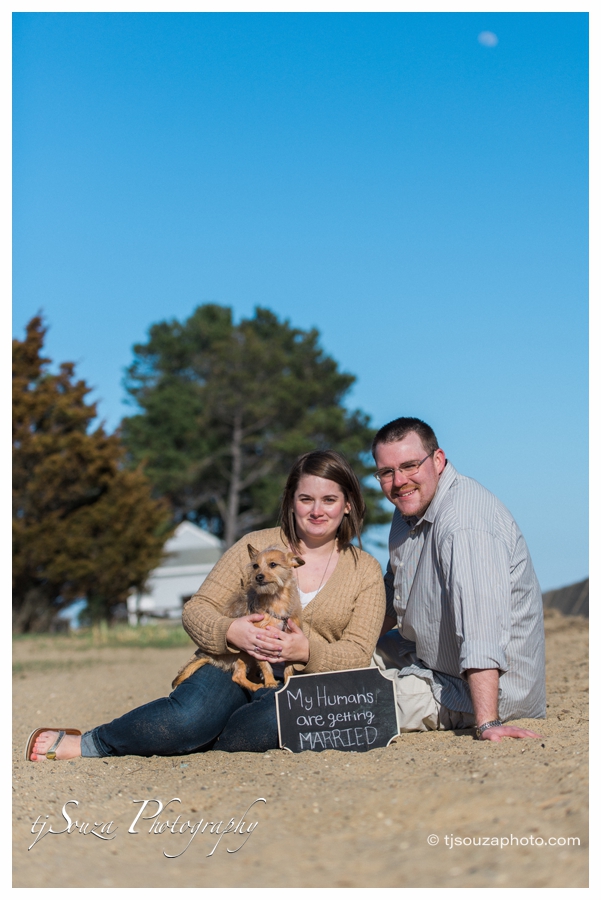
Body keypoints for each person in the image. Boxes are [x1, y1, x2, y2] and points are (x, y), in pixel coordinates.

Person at [26, 450, 386, 761]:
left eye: (329, 500)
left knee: (265, 726)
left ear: (348, 503)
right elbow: (197, 609)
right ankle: (93, 742)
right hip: (231, 663)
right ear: (292, 500)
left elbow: (358, 652)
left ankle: (201, 739)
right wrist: (230, 630)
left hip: (303, 683)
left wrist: (307, 651)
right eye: (306, 498)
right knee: (187, 719)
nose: (317, 510)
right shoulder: (256, 545)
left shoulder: (365, 569)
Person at [371, 417, 545, 743]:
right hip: (425, 657)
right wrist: (350, 648)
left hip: (476, 691)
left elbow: (480, 627)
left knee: (347, 705)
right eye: (387, 472)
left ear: (438, 460)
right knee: (334, 665)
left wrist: (487, 722)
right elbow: (394, 589)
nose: (399, 481)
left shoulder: (464, 522)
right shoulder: (409, 507)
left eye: (409, 466)